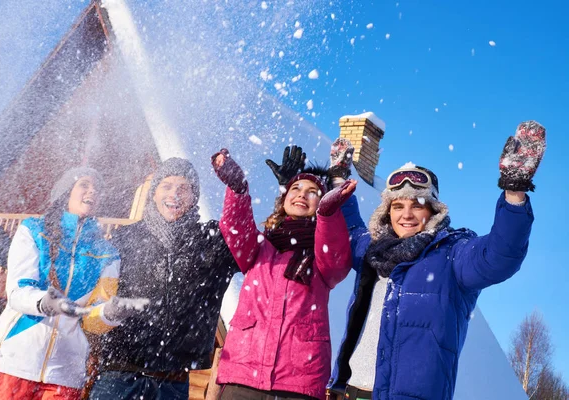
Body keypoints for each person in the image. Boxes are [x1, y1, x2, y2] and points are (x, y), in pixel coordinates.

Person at [326, 121, 546, 400]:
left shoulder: (452, 255)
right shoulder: (373, 251)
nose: (406, 214)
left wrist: (514, 193)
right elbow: (347, 229)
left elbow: (500, 256)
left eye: (417, 205)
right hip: (349, 392)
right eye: (398, 206)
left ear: (433, 211)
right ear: (387, 212)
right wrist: (337, 179)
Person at [0, 167, 146, 400]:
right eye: (84, 184)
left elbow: (93, 321)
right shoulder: (33, 231)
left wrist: (111, 314)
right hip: (13, 363)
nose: (92, 191)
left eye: (97, 188)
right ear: (66, 190)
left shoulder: (107, 253)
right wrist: (43, 302)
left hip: (64, 374)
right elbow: (17, 291)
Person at [88, 158, 239, 400]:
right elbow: (93, 297)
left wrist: (238, 191)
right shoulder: (125, 238)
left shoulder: (211, 240)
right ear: (154, 192)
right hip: (118, 376)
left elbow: (248, 242)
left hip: (171, 382)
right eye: (167, 186)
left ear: (194, 196)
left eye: (184, 188)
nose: (175, 194)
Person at [211, 148, 355, 400]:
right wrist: (238, 189)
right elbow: (235, 226)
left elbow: (338, 260)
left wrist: (329, 215)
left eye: (313, 192)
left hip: (298, 382)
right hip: (243, 375)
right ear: (284, 197)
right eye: (296, 189)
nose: (302, 195)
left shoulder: (322, 254)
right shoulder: (261, 246)